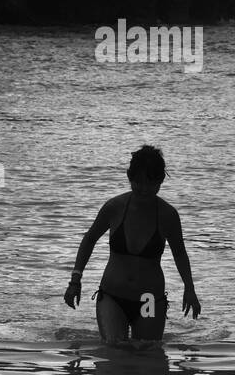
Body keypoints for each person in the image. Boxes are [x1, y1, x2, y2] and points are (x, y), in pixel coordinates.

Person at [64, 146, 201, 344]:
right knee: (113, 348)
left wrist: (189, 289)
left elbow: (180, 254)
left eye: (151, 183)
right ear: (129, 177)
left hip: (149, 300)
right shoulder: (114, 207)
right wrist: (75, 280)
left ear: (160, 181)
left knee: (147, 354)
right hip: (112, 296)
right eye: (138, 182)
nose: (144, 189)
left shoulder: (168, 215)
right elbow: (89, 239)